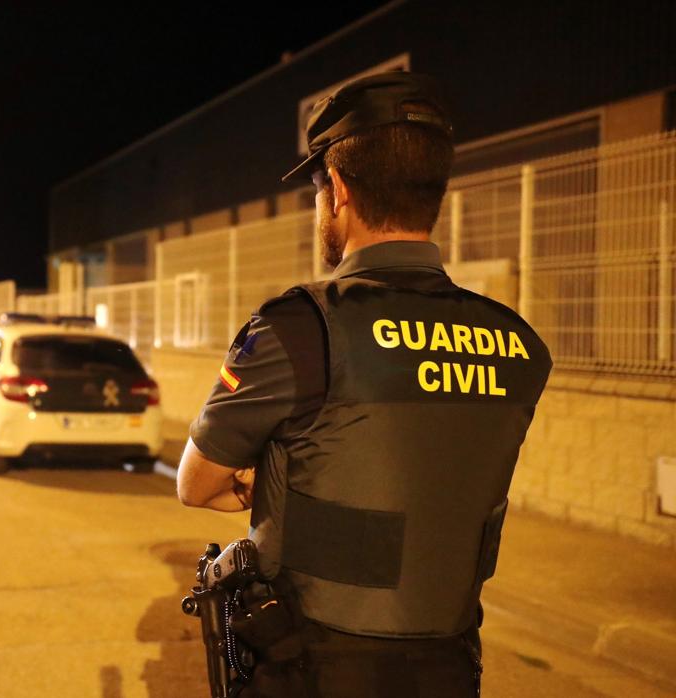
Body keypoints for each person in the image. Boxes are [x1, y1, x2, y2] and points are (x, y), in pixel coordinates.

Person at [176, 72, 551, 697]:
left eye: (319, 193)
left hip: (311, 664)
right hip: (450, 664)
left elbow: (196, 482)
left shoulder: (300, 329)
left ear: (339, 191)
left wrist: (261, 483)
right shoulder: (519, 345)